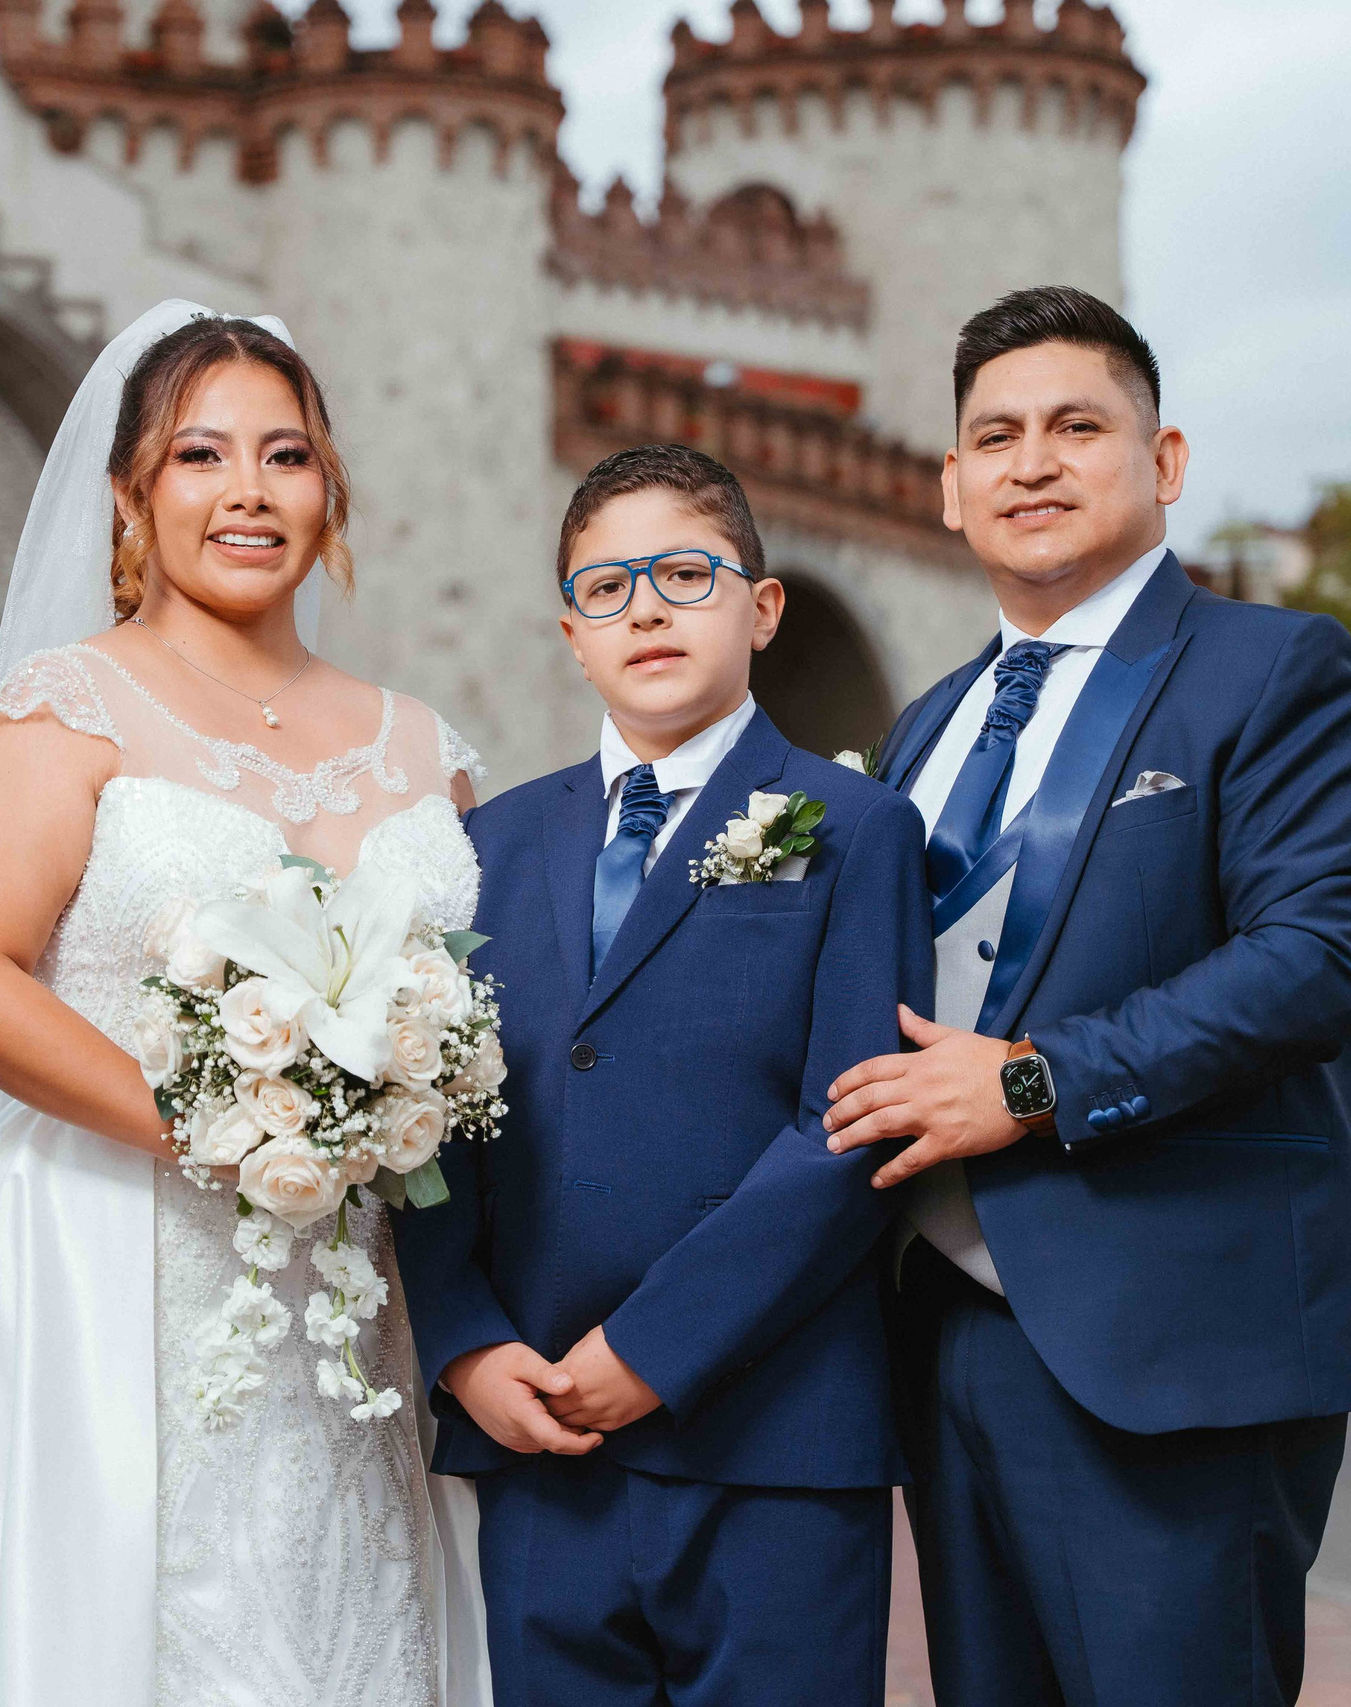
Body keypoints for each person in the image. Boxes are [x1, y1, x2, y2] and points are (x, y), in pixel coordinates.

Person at [0, 304, 491, 1707]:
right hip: (107, 1261)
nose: (248, 491)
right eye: (199, 456)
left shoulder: (422, 745)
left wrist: (386, 1111)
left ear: (328, 488)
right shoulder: (62, 712)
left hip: (352, 1289)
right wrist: (216, 1124)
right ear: (129, 495)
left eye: (285, 456)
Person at [823, 287, 1351, 1706]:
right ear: (950, 485)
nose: (1031, 463)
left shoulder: (1275, 669)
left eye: (1075, 426)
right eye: (995, 436)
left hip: (1173, 1334)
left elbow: (1314, 958)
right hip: (942, 1329)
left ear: (1162, 460)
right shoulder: (926, 721)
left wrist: (1028, 1079)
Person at [394, 445, 932, 1707]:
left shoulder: (854, 830)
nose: (644, 607)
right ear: (570, 633)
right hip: (541, 1438)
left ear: (762, 606)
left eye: (684, 573)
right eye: (605, 586)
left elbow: (848, 1131)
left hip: (773, 1445)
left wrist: (648, 1350)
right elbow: (422, 1113)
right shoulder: (489, 843)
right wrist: (467, 1344)